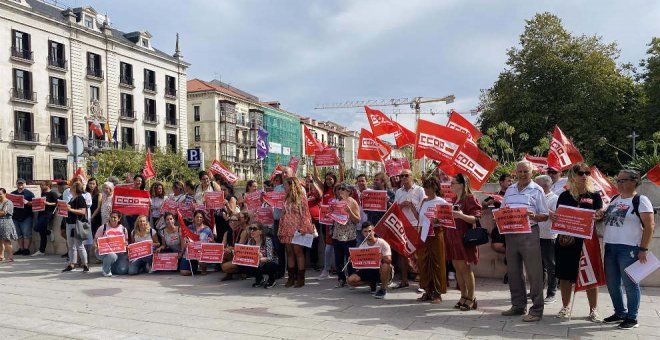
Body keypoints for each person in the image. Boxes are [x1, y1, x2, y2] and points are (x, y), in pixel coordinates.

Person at [602, 169, 655, 329]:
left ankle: (632, 318)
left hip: (629, 248)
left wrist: (643, 249)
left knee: (630, 284)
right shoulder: (614, 199)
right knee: (612, 284)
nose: (619, 183)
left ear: (634, 181)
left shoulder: (641, 200)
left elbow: (649, 226)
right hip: (610, 246)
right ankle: (620, 313)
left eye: (623, 180)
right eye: (618, 180)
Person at [550, 164, 603, 321]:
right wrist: (554, 217)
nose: (585, 175)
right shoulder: (564, 195)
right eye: (581, 173)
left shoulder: (595, 195)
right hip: (566, 241)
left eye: (587, 172)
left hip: (587, 241)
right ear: (573, 175)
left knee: (590, 276)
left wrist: (600, 215)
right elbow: (560, 216)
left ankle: (593, 310)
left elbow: (600, 216)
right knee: (565, 276)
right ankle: (565, 307)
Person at [501, 161, 549, 322]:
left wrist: (533, 215)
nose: (522, 174)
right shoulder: (510, 189)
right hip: (511, 233)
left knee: (534, 273)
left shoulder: (537, 189)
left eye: (525, 171)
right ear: (515, 172)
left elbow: (545, 215)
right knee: (513, 272)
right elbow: (502, 209)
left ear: (532, 172)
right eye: (520, 171)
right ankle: (518, 306)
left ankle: (536, 310)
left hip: (529, 233)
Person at [444, 173, 482, 310]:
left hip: (464, 238)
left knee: (465, 269)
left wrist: (461, 215)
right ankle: (463, 295)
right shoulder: (453, 199)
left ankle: (471, 298)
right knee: (458, 269)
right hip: (452, 238)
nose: (451, 185)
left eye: (453, 183)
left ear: (461, 185)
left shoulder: (470, 199)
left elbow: (476, 219)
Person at [416, 177, 448, 304]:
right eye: (425, 188)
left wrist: (437, 220)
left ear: (435, 188)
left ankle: (437, 292)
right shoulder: (423, 202)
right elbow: (419, 218)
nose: (426, 190)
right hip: (424, 234)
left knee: (437, 262)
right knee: (423, 261)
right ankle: (427, 291)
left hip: (436, 234)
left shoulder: (441, 201)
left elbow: (447, 219)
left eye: (428, 188)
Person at [279, 177, 315, 288]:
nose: (284, 187)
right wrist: (280, 228)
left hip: (297, 228)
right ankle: (291, 278)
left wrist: (304, 227)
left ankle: (301, 278)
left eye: (285, 185)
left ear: (291, 185)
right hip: (287, 227)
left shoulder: (301, 198)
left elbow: (306, 214)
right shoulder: (286, 198)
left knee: (298, 252)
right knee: (289, 252)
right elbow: (283, 214)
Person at [393, 169, 425, 289]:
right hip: (402, 225)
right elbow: (395, 208)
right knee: (403, 254)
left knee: (417, 254)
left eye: (406, 175)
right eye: (402, 176)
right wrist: (402, 205)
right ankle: (404, 279)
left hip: (416, 224)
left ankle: (422, 279)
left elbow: (424, 207)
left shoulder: (419, 190)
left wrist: (412, 206)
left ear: (412, 177)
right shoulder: (399, 192)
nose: (404, 178)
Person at [347, 222, 393, 299]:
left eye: (370, 231)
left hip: (381, 269)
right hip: (369, 269)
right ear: (362, 233)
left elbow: (389, 260)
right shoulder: (362, 245)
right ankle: (371, 283)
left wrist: (380, 256)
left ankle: (383, 289)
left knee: (385, 265)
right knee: (350, 281)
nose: (368, 233)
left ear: (374, 231)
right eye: (365, 231)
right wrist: (352, 259)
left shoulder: (382, 242)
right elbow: (359, 263)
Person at [534, 175, 559, 306]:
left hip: (549, 236)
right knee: (538, 266)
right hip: (535, 235)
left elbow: (556, 216)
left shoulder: (555, 198)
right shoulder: (535, 198)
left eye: (537, 185)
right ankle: (537, 291)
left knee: (551, 266)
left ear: (544, 186)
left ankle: (551, 293)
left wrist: (542, 207)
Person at [332, 182, 361, 288]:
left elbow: (358, 220)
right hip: (337, 234)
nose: (340, 191)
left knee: (349, 260)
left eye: (343, 189)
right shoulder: (337, 202)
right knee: (338, 260)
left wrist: (349, 212)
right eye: (339, 189)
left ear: (349, 191)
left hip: (349, 235)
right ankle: (341, 279)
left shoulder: (353, 202)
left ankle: (351, 279)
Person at [239, 222, 279, 288]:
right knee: (242, 265)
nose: (252, 231)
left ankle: (272, 279)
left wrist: (260, 258)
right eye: (250, 228)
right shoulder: (250, 241)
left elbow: (270, 258)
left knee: (269, 266)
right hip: (258, 262)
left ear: (260, 232)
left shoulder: (267, 240)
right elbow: (247, 255)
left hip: (270, 262)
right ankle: (259, 278)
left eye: (254, 229)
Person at [62, 182, 90, 273]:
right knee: (71, 246)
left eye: (72, 187)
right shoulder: (72, 198)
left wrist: (70, 209)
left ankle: (85, 264)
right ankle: (72, 264)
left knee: (79, 245)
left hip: (77, 224)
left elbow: (82, 211)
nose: (70, 189)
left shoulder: (80, 198)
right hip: (70, 223)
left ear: (75, 189)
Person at [94, 210, 129, 276]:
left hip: (119, 253)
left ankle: (109, 265)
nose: (113, 219)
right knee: (112, 255)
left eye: (115, 217)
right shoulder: (103, 227)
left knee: (123, 270)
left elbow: (126, 241)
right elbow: (95, 240)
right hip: (103, 252)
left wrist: (125, 244)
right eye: (111, 217)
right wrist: (96, 247)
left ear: (119, 219)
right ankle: (106, 271)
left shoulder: (123, 229)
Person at [180, 210, 214, 276]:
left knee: (201, 263)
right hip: (190, 252)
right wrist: (182, 251)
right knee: (183, 272)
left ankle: (203, 269)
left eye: (201, 217)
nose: (199, 219)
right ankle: (194, 269)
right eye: (197, 217)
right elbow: (185, 239)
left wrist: (210, 241)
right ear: (194, 218)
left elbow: (213, 242)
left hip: (202, 253)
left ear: (203, 219)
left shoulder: (207, 229)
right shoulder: (189, 228)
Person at [220, 211, 250, 281]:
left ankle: (243, 270)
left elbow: (240, 247)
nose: (232, 222)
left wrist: (230, 249)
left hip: (242, 255)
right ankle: (229, 274)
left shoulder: (243, 232)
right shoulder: (227, 233)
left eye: (235, 220)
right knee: (222, 254)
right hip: (232, 253)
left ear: (239, 222)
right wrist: (226, 249)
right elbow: (222, 246)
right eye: (231, 220)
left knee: (225, 266)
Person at [32, 181, 59, 256]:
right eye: (41, 185)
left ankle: (49, 232)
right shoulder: (43, 193)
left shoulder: (52, 193)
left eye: (43, 185)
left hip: (48, 214)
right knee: (42, 233)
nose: (41, 186)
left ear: (48, 185)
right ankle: (42, 250)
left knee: (36, 228)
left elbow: (57, 203)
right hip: (41, 213)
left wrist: (48, 203)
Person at [11, 178, 34, 256]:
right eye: (19, 183)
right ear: (16, 184)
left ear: (25, 184)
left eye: (22, 183)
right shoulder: (12, 193)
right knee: (18, 235)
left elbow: (35, 204)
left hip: (26, 217)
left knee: (27, 234)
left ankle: (26, 249)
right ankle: (21, 249)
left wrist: (27, 202)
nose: (20, 185)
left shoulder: (29, 193)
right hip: (15, 217)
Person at [305, 175, 323, 271]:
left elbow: (320, 194)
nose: (308, 183)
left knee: (314, 242)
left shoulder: (315, 193)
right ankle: (303, 263)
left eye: (310, 181)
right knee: (304, 241)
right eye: (307, 181)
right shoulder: (304, 193)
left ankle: (314, 263)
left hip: (315, 220)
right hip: (305, 220)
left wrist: (313, 182)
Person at [0, 188, 17, 262]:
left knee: (7, 240)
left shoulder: (8, 202)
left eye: (0, 194)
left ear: (4, 194)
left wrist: (2, 212)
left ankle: (10, 257)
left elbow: (4, 212)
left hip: (6, 222)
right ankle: (1, 256)